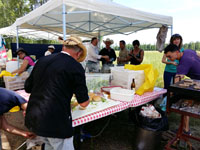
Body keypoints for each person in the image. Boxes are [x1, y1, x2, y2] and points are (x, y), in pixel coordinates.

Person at [24, 35, 90, 150]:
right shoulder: (76, 67)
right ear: (79, 53)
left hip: (35, 118)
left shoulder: (42, 60)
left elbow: (28, 88)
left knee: (49, 145)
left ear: (64, 47)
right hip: (56, 122)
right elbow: (83, 103)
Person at [164, 44, 200, 135]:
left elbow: (177, 79)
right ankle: (185, 129)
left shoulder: (183, 63)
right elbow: (198, 54)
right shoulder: (187, 51)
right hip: (196, 80)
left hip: (198, 82)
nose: (169, 58)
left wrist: (171, 93)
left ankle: (186, 130)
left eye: (169, 56)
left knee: (184, 103)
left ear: (176, 52)